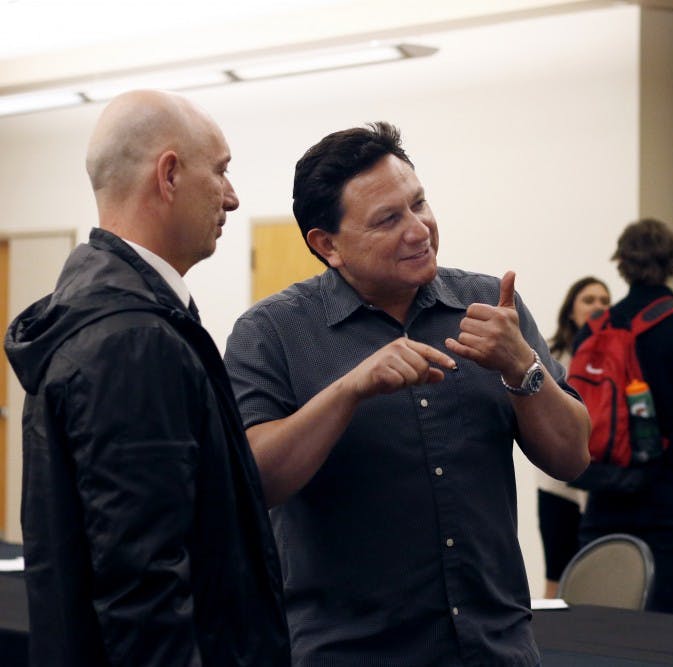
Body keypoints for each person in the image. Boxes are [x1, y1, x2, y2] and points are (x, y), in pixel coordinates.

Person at [223, 121, 590, 665]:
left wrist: (522, 367)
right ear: (327, 245)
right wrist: (348, 391)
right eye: (388, 219)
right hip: (348, 654)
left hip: (495, 648)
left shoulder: (489, 305)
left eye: (419, 203)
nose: (419, 230)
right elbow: (252, 482)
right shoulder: (271, 332)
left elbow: (573, 457)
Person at [3, 90, 290, 666]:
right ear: (169, 175)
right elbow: (143, 583)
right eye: (221, 170)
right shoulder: (132, 340)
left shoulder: (116, 317)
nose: (232, 197)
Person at [575, 218, 673, 615]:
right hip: (672, 501)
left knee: (598, 622)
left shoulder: (593, 331)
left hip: (606, 496)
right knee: (668, 625)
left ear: (622, 263)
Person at [538, 276, 610, 598]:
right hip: (557, 486)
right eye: (589, 300)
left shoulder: (611, 355)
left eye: (604, 301)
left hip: (597, 482)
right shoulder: (551, 354)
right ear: (571, 310)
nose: (598, 306)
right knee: (556, 573)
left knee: (596, 581)